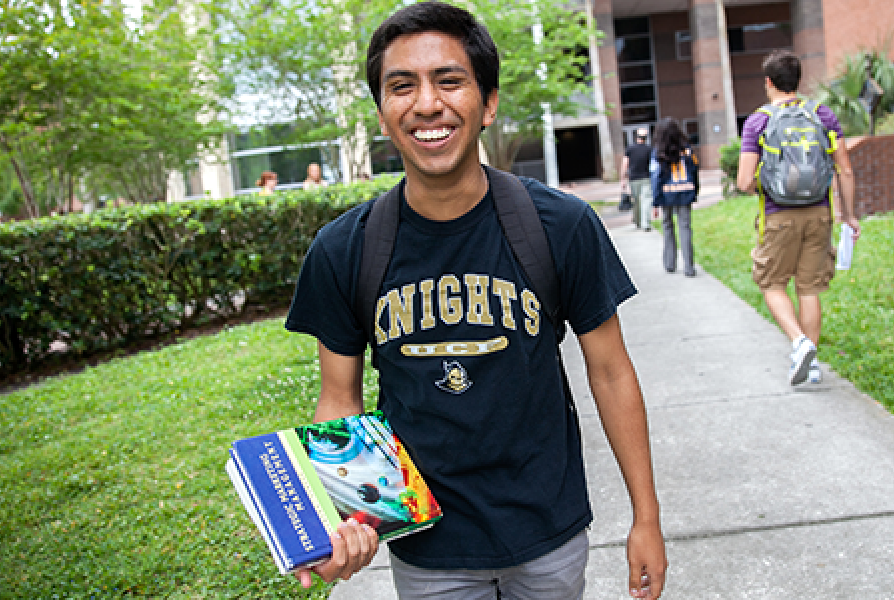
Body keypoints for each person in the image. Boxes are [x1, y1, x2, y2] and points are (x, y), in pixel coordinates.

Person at [284, 2, 667, 598]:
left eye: (449, 80)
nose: (427, 103)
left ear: (487, 103)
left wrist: (646, 517)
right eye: (401, 86)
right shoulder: (343, 250)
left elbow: (613, 373)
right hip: (429, 547)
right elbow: (339, 399)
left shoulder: (561, 226)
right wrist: (344, 519)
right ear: (384, 113)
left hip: (548, 534)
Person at [735, 49, 861, 386]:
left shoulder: (758, 121)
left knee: (771, 283)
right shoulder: (823, 115)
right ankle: (812, 363)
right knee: (809, 289)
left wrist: (766, 185)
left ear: (768, 82)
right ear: (798, 79)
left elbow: (744, 181)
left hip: (778, 217)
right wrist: (849, 215)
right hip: (820, 213)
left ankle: (798, 341)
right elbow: (845, 170)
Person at [649, 117, 698, 277]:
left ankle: (670, 263)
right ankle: (689, 267)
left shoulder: (658, 151)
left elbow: (655, 176)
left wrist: (655, 201)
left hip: (666, 194)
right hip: (685, 191)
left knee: (667, 225)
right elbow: (694, 170)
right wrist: (695, 191)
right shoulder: (687, 149)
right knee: (685, 227)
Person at [619, 127, 654, 231]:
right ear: (646, 138)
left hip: (633, 178)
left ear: (636, 137)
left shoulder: (630, 149)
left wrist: (622, 180)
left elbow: (625, 164)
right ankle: (645, 224)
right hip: (646, 178)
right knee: (646, 200)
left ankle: (638, 222)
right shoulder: (649, 149)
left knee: (636, 201)